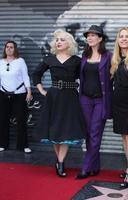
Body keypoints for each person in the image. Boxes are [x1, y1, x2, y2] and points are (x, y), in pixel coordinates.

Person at [32, 30, 86, 177]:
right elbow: (36, 74)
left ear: (69, 43)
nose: (59, 42)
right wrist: (41, 90)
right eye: (57, 40)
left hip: (70, 98)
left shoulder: (76, 60)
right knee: (55, 131)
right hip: (54, 97)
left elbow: (84, 78)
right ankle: (60, 161)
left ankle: (60, 162)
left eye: (62, 40)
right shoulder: (49, 59)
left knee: (66, 131)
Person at [76, 25, 113, 179]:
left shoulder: (109, 56)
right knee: (88, 134)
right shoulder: (84, 56)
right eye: (88, 36)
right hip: (85, 99)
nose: (89, 38)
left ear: (100, 38)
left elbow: (116, 74)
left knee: (95, 133)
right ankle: (95, 166)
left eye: (93, 35)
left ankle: (86, 167)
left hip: (100, 100)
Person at [111, 27, 128, 187]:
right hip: (118, 103)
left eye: (127, 36)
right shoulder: (115, 58)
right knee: (123, 136)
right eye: (121, 36)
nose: (124, 39)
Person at [0, 40, 32, 153]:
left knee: (21, 120)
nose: (9, 49)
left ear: (15, 49)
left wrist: (29, 91)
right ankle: (3, 144)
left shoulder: (20, 61)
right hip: (3, 94)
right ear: (4, 49)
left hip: (19, 93)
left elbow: (25, 76)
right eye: (7, 47)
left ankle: (23, 146)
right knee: (3, 120)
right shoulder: (0, 62)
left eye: (11, 47)